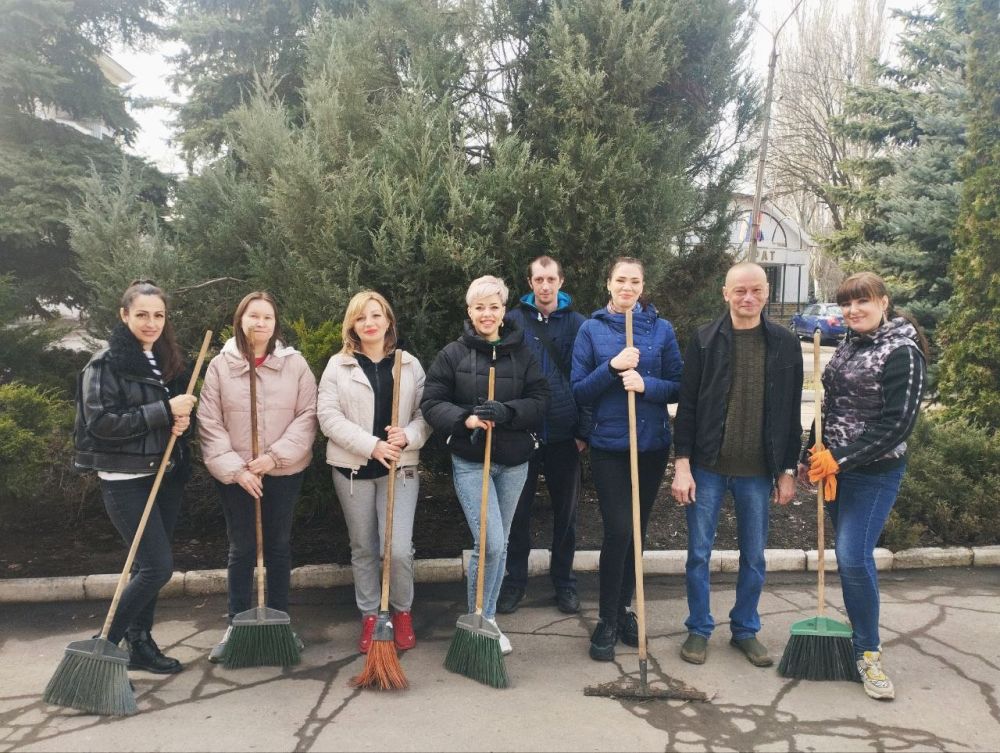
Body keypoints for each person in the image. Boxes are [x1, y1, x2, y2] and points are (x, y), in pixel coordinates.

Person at [670, 262, 803, 668]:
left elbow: (790, 410)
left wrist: (788, 469)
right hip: (708, 467)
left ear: (766, 293)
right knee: (698, 553)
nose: (748, 298)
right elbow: (688, 406)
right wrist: (682, 465)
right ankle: (698, 628)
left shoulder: (784, 343)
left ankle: (745, 630)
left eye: (756, 291)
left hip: (758, 471)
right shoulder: (705, 340)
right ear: (725, 293)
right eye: (740, 290)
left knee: (755, 556)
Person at [801, 271, 926, 701]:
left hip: (874, 473)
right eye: (846, 304)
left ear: (884, 302)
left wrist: (840, 457)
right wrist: (810, 454)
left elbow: (897, 426)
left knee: (853, 558)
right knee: (848, 558)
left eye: (862, 302)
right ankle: (862, 640)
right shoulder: (849, 346)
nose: (853, 311)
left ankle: (868, 653)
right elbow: (829, 404)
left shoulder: (904, 353)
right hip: (835, 468)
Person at [73, 280, 198, 674]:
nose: (151, 322)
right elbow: (101, 423)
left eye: (158, 315)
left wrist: (179, 421)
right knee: (158, 568)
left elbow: (161, 416)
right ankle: (104, 646)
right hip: (125, 479)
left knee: (149, 570)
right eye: (142, 314)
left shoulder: (161, 359)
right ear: (124, 314)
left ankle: (140, 644)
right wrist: (165, 411)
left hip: (164, 474)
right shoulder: (105, 363)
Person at [421, 275, 549, 655]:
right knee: (490, 542)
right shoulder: (452, 354)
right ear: (469, 311)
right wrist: (468, 419)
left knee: (501, 542)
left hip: (513, 462)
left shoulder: (521, 353)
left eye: (494, 306)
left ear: (503, 310)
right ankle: (480, 614)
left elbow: (541, 399)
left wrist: (507, 411)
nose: (487, 314)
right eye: (479, 307)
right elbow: (431, 402)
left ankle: (487, 618)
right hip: (472, 461)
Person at [571, 257, 683, 662]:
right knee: (619, 528)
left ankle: (624, 610)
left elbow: (678, 385)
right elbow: (578, 391)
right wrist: (612, 368)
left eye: (635, 281)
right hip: (609, 447)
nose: (628, 287)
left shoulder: (661, 329)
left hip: (651, 445)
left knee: (637, 531)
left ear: (642, 285)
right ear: (609, 283)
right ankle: (606, 618)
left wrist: (646, 384)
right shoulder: (591, 329)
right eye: (621, 280)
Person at [198, 291, 318, 662]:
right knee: (242, 548)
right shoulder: (221, 366)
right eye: (253, 316)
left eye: (267, 317)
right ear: (241, 320)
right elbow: (209, 422)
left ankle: (280, 622)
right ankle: (237, 624)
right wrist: (237, 470)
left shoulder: (294, 364)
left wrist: (273, 458)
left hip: (282, 471)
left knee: (278, 546)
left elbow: (308, 415)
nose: (260, 323)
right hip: (237, 476)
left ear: (275, 323)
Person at [317, 291, 431, 654]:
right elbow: (328, 417)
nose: (370, 322)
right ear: (352, 324)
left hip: (400, 468)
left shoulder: (408, 364)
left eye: (376, 315)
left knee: (396, 549)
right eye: (361, 317)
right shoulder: (339, 365)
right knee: (364, 547)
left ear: (388, 321)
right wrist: (372, 445)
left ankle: (401, 612)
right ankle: (370, 615)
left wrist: (408, 436)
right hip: (353, 470)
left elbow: (426, 414)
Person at [497, 256, 589, 616]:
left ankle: (564, 583)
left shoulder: (579, 325)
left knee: (566, 516)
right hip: (523, 433)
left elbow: (589, 379)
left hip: (565, 435)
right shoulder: (512, 321)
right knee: (517, 514)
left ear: (561, 281)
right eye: (539, 279)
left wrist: (583, 430)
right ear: (530, 282)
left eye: (551, 279)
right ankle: (515, 583)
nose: (545, 286)